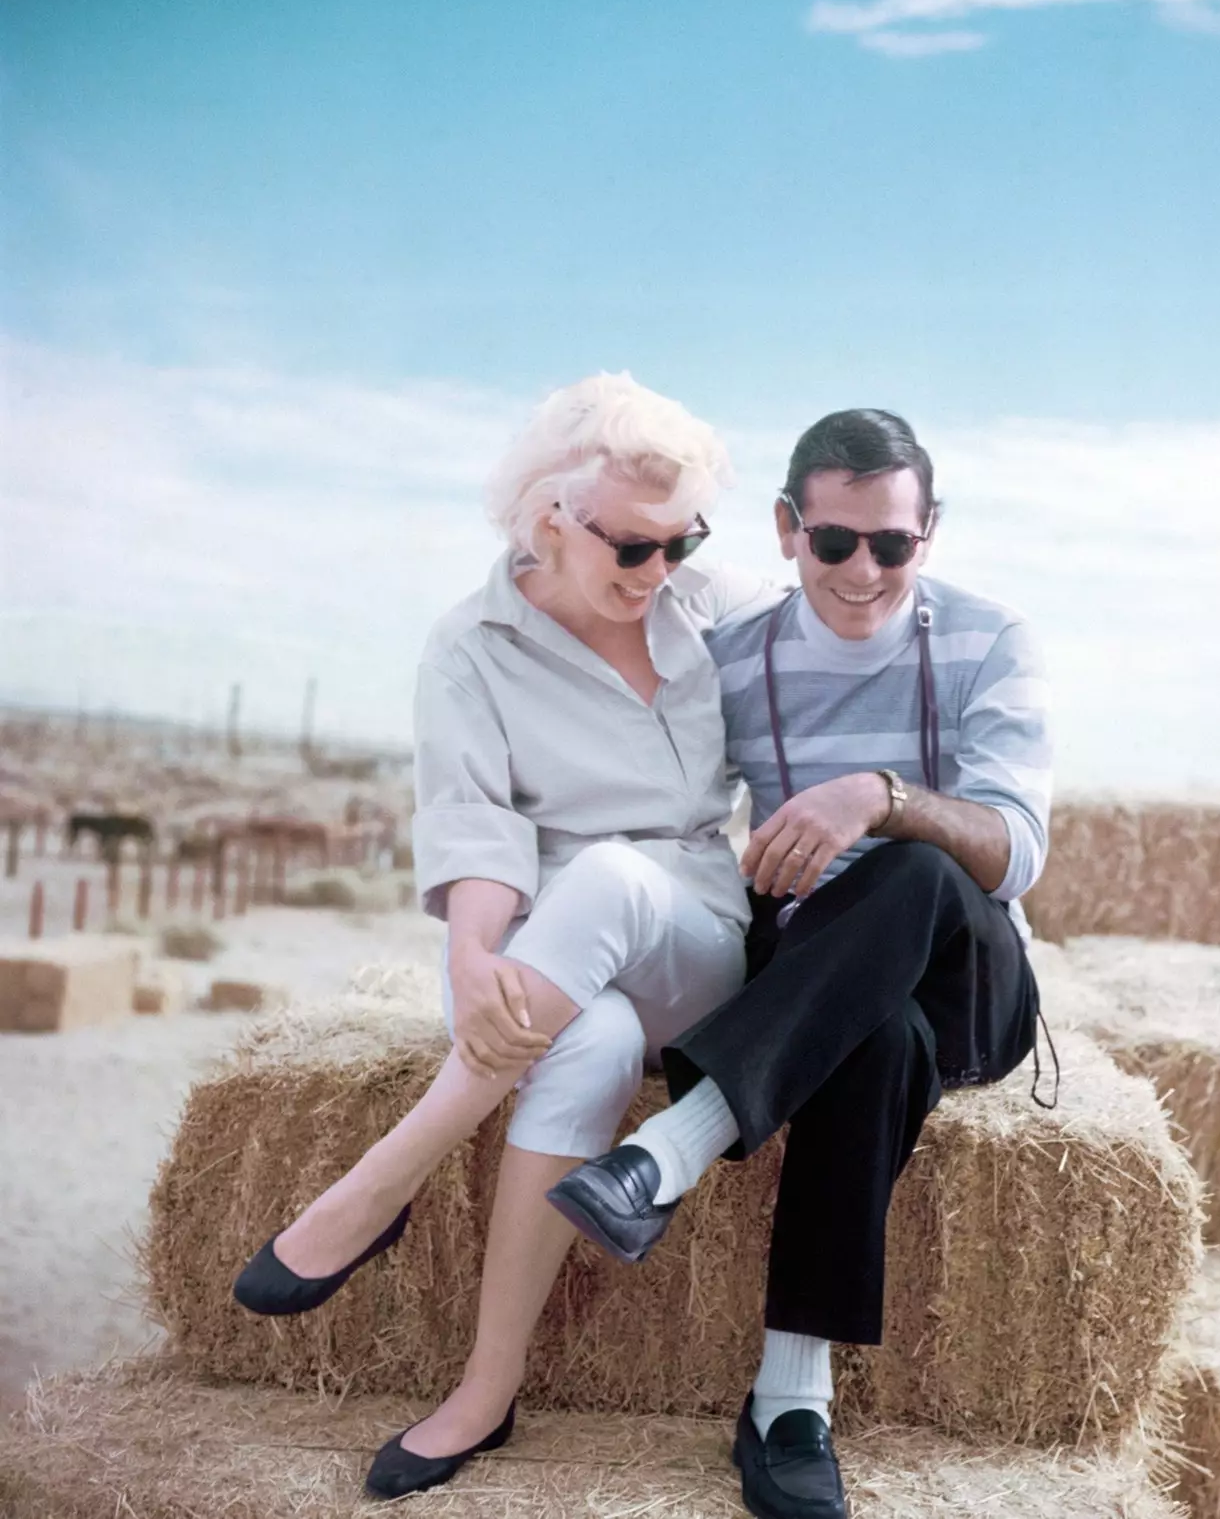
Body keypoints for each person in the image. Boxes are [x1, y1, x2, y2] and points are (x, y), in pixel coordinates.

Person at [230, 372, 776, 1501]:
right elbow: (475, 825)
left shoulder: (711, 608)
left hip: (696, 939)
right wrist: (472, 959)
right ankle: (486, 1389)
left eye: (681, 543)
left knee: (617, 874)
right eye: (633, 547)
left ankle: (382, 1181)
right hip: (541, 950)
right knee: (582, 1046)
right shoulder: (468, 648)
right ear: (548, 522)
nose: (658, 571)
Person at [547, 407, 1055, 1519]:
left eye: (892, 543)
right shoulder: (732, 660)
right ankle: (789, 1404)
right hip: (819, 967)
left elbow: (1016, 851)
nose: (862, 570)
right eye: (835, 542)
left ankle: (673, 1147)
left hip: (968, 970)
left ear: (929, 534)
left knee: (916, 869)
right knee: (869, 1034)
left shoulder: (989, 637)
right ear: (786, 529)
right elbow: (659, 814)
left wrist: (878, 797)